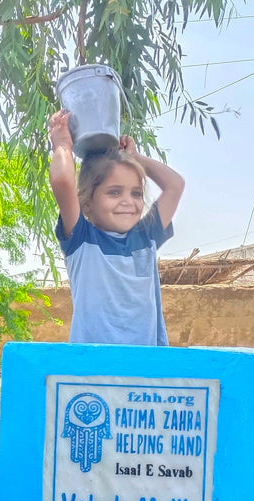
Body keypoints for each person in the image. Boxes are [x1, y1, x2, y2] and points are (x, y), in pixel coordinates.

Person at [48, 109, 184, 346]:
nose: (127, 202)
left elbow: (175, 185)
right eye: (114, 192)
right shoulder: (82, 238)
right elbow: (62, 180)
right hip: (94, 371)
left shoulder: (146, 236)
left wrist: (136, 158)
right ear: (88, 201)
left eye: (136, 193)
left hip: (143, 372)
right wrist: (62, 144)